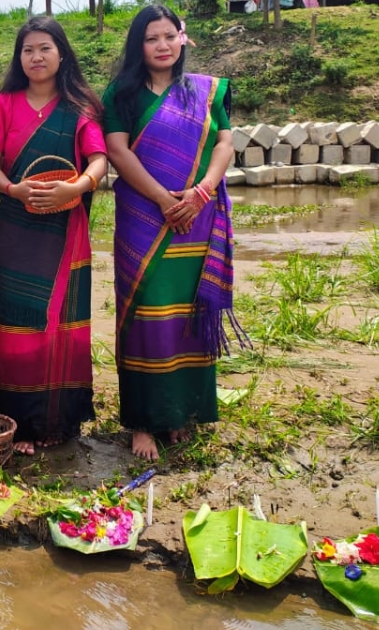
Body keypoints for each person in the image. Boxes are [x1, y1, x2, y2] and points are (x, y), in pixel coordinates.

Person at [103, 5, 245, 461]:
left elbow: (224, 142)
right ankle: (144, 420)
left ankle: (181, 412)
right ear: (138, 46)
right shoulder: (122, 93)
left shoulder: (206, 92)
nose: (162, 45)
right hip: (144, 217)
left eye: (169, 36)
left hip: (196, 216)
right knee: (146, 314)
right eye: (151, 38)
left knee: (187, 313)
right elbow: (117, 151)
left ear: (182, 39)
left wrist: (201, 192)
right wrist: (164, 200)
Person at [0, 16, 108, 455]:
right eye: (28, 50)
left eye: (44, 49)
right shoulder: (2, 103)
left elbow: (98, 161)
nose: (36, 57)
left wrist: (76, 187)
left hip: (66, 227)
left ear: (61, 54)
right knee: (18, 324)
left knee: (63, 324)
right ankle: (21, 425)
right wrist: (13, 189)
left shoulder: (82, 105)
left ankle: (61, 420)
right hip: (18, 228)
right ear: (19, 57)